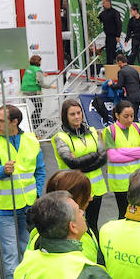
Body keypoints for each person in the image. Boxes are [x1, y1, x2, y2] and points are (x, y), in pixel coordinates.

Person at [0, 104, 45, 279]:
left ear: (15, 122)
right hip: (4, 208)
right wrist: (3, 170)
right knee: (10, 254)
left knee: (28, 249)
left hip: (28, 205)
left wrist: (37, 193)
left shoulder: (30, 139)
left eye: (1, 120)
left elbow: (40, 170)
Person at [53, 99, 109, 234]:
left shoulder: (93, 131)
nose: (77, 116)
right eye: (72, 114)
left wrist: (81, 163)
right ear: (65, 117)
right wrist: (95, 155)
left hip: (96, 189)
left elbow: (104, 156)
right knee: (77, 226)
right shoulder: (60, 137)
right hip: (75, 189)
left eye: (79, 113)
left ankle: (95, 253)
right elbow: (71, 163)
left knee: (93, 225)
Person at [31, 170, 104, 264]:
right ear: (72, 199)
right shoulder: (77, 235)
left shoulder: (41, 229)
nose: (91, 198)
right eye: (87, 194)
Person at [104, 100, 140, 219]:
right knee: (124, 214)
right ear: (117, 115)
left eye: (132, 116)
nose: (130, 119)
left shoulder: (138, 127)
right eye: (126, 116)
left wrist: (123, 151)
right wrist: (137, 152)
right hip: (121, 184)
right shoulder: (110, 131)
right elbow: (113, 156)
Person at [20, 54, 56, 130]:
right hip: (33, 91)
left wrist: (42, 74)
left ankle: (33, 123)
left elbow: (32, 76)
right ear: (38, 62)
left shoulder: (29, 68)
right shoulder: (37, 70)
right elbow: (41, 84)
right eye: (40, 61)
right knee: (38, 108)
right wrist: (51, 86)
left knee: (37, 108)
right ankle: (34, 125)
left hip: (25, 90)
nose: (41, 62)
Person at [98, 0, 122, 65]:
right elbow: (97, 20)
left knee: (111, 52)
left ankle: (111, 66)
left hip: (113, 36)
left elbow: (119, 24)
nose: (102, 5)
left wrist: (118, 35)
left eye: (104, 3)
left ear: (108, 3)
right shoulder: (103, 13)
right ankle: (110, 65)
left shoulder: (115, 12)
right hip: (107, 36)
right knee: (109, 52)